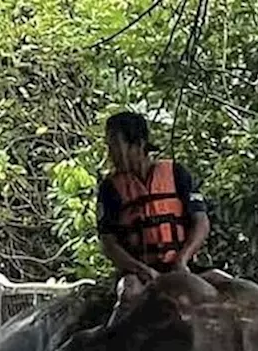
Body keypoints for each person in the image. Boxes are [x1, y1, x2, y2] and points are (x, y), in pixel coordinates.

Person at [94, 111, 231, 330]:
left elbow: (201, 222)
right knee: (128, 291)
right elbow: (109, 243)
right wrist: (140, 269)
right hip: (140, 275)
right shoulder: (110, 188)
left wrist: (182, 259)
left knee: (225, 282)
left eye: (115, 145)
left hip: (183, 267)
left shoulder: (176, 174)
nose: (110, 154)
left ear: (137, 145)